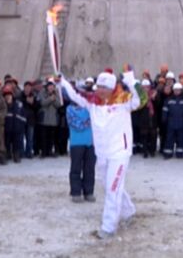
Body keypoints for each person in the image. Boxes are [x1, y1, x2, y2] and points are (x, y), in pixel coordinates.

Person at [57, 64, 142, 240]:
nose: (100, 90)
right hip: (102, 153)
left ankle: (108, 227)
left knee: (112, 187)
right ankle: (128, 211)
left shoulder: (124, 101)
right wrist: (63, 82)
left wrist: (131, 79)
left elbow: (142, 98)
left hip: (119, 152)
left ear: (112, 88)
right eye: (99, 87)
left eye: (104, 87)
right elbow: (74, 95)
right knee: (111, 186)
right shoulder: (92, 103)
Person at [66, 90, 96, 203]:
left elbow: (95, 120)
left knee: (89, 169)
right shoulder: (70, 109)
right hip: (76, 143)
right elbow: (74, 124)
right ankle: (76, 192)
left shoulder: (90, 108)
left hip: (90, 143)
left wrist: (86, 122)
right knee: (76, 168)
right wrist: (86, 123)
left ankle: (89, 191)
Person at [162, 83, 183, 159]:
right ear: (173, 90)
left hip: (182, 122)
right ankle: (168, 153)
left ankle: (180, 153)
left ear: (181, 90)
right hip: (171, 123)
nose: (177, 91)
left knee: (181, 138)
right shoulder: (168, 100)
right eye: (175, 90)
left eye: (178, 90)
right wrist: (164, 119)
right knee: (169, 138)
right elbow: (165, 110)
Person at [4, 85, 26, 163]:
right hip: (7, 128)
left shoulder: (19, 104)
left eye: (9, 94)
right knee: (6, 143)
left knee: (16, 144)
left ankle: (16, 156)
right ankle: (7, 155)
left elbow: (23, 115)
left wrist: (22, 125)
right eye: (6, 95)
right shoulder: (3, 104)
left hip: (17, 128)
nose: (8, 96)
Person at [38, 81, 61, 157]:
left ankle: (50, 151)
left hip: (53, 119)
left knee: (51, 137)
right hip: (44, 119)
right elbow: (42, 103)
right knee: (43, 136)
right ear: (47, 87)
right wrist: (50, 99)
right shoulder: (42, 93)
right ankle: (43, 152)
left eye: (52, 86)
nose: (51, 88)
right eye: (49, 86)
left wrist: (53, 99)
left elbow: (58, 104)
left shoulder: (56, 93)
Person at [21, 81, 38, 158]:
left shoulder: (34, 96)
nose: (27, 89)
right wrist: (25, 100)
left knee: (30, 138)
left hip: (31, 120)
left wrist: (32, 103)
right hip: (22, 119)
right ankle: (21, 152)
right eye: (26, 87)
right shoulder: (20, 96)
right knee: (21, 137)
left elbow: (37, 107)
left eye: (29, 87)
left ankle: (29, 152)